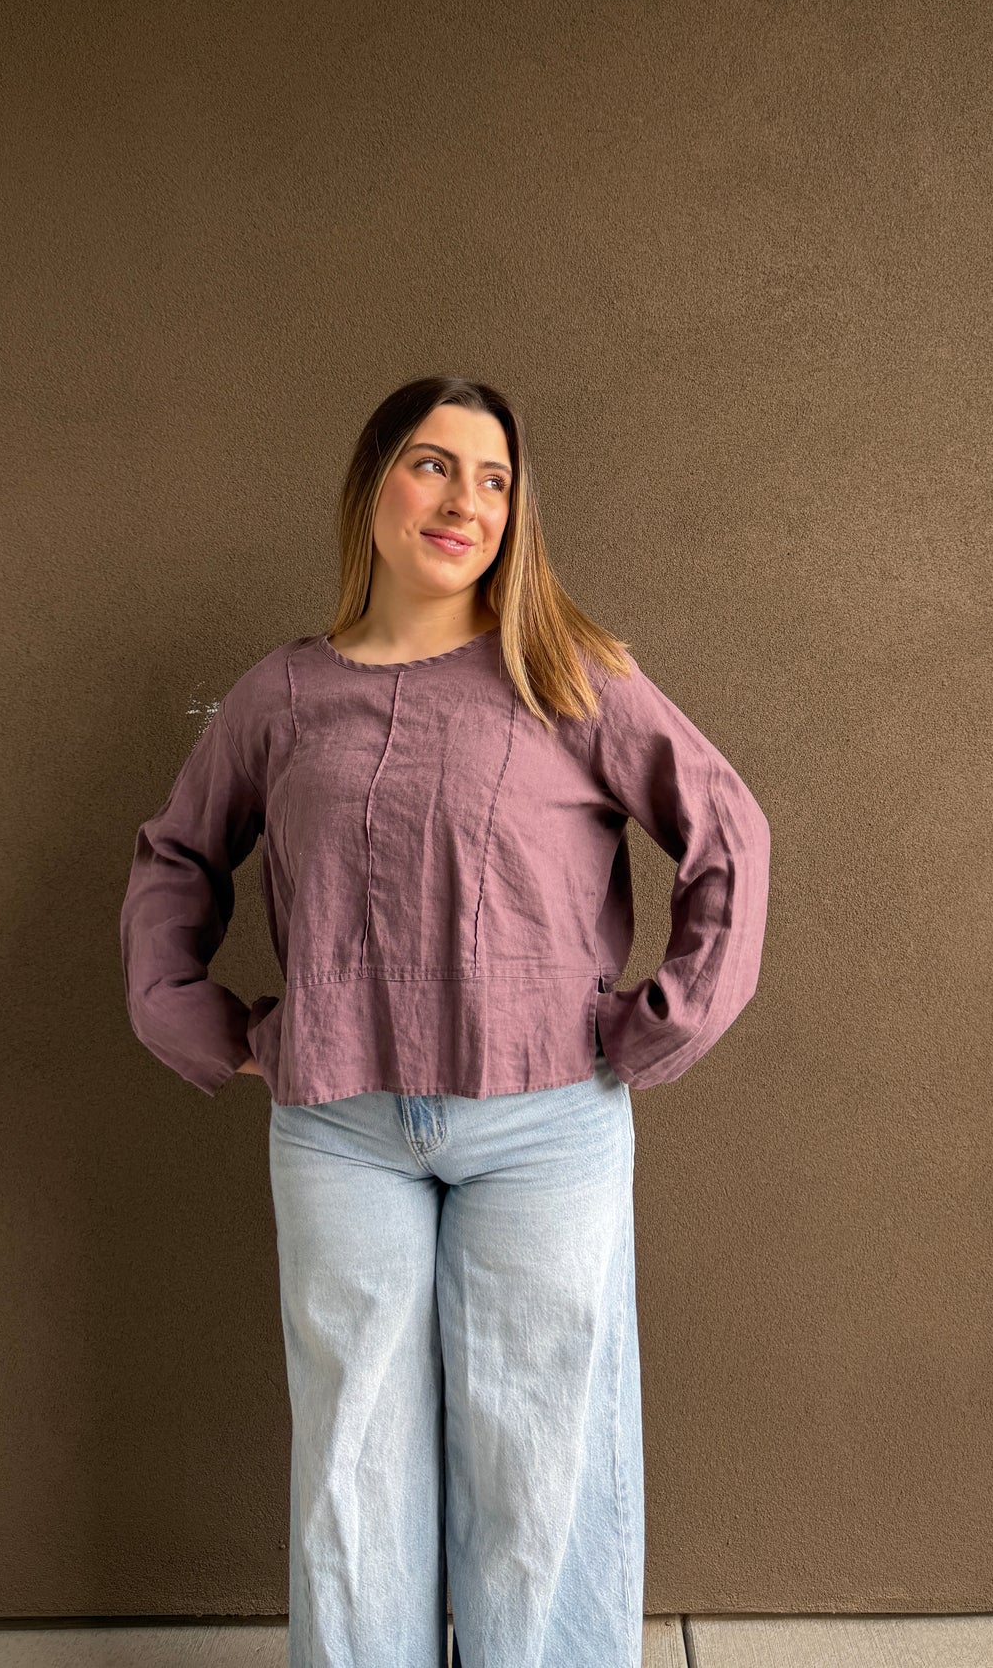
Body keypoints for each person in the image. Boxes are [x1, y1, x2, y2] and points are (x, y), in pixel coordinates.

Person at [119, 374, 772, 1668]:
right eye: (432, 464)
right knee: (352, 1466)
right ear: (371, 488)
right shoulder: (283, 694)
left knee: (539, 1459)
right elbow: (176, 856)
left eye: (492, 477)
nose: (464, 499)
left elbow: (728, 839)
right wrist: (202, 1022)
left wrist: (663, 1023)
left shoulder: (570, 675)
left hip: (543, 1125)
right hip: (339, 1129)